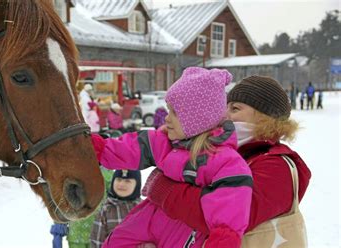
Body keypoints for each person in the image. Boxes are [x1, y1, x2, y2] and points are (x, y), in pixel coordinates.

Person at [91, 67, 253, 247]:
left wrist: (223, 240)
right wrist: (96, 148)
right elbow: (128, 148)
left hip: (185, 230)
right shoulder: (165, 141)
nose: (167, 119)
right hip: (149, 218)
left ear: (197, 120)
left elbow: (229, 211)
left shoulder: (226, 162)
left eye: (174, 113)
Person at [143, 75, 311, 246]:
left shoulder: (276, 166)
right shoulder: (224, 152)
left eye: (235, 109)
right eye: (225, 107)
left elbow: (224, 215)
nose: (224, 116)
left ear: (264, 117)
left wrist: (164, 188)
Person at [90, 170, 142, 248]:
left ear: (137, 185)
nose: (121, 184)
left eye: (127, 181)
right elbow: (97, 240)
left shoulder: (143, 209)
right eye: (118, 179)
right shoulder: (106, 210)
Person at [67, 168, 113, 248]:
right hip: (76, 234)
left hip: (99, 233)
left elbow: (115, 198)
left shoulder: (106, 171)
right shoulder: (72, 169)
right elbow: (63, 198)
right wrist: (59, 225)